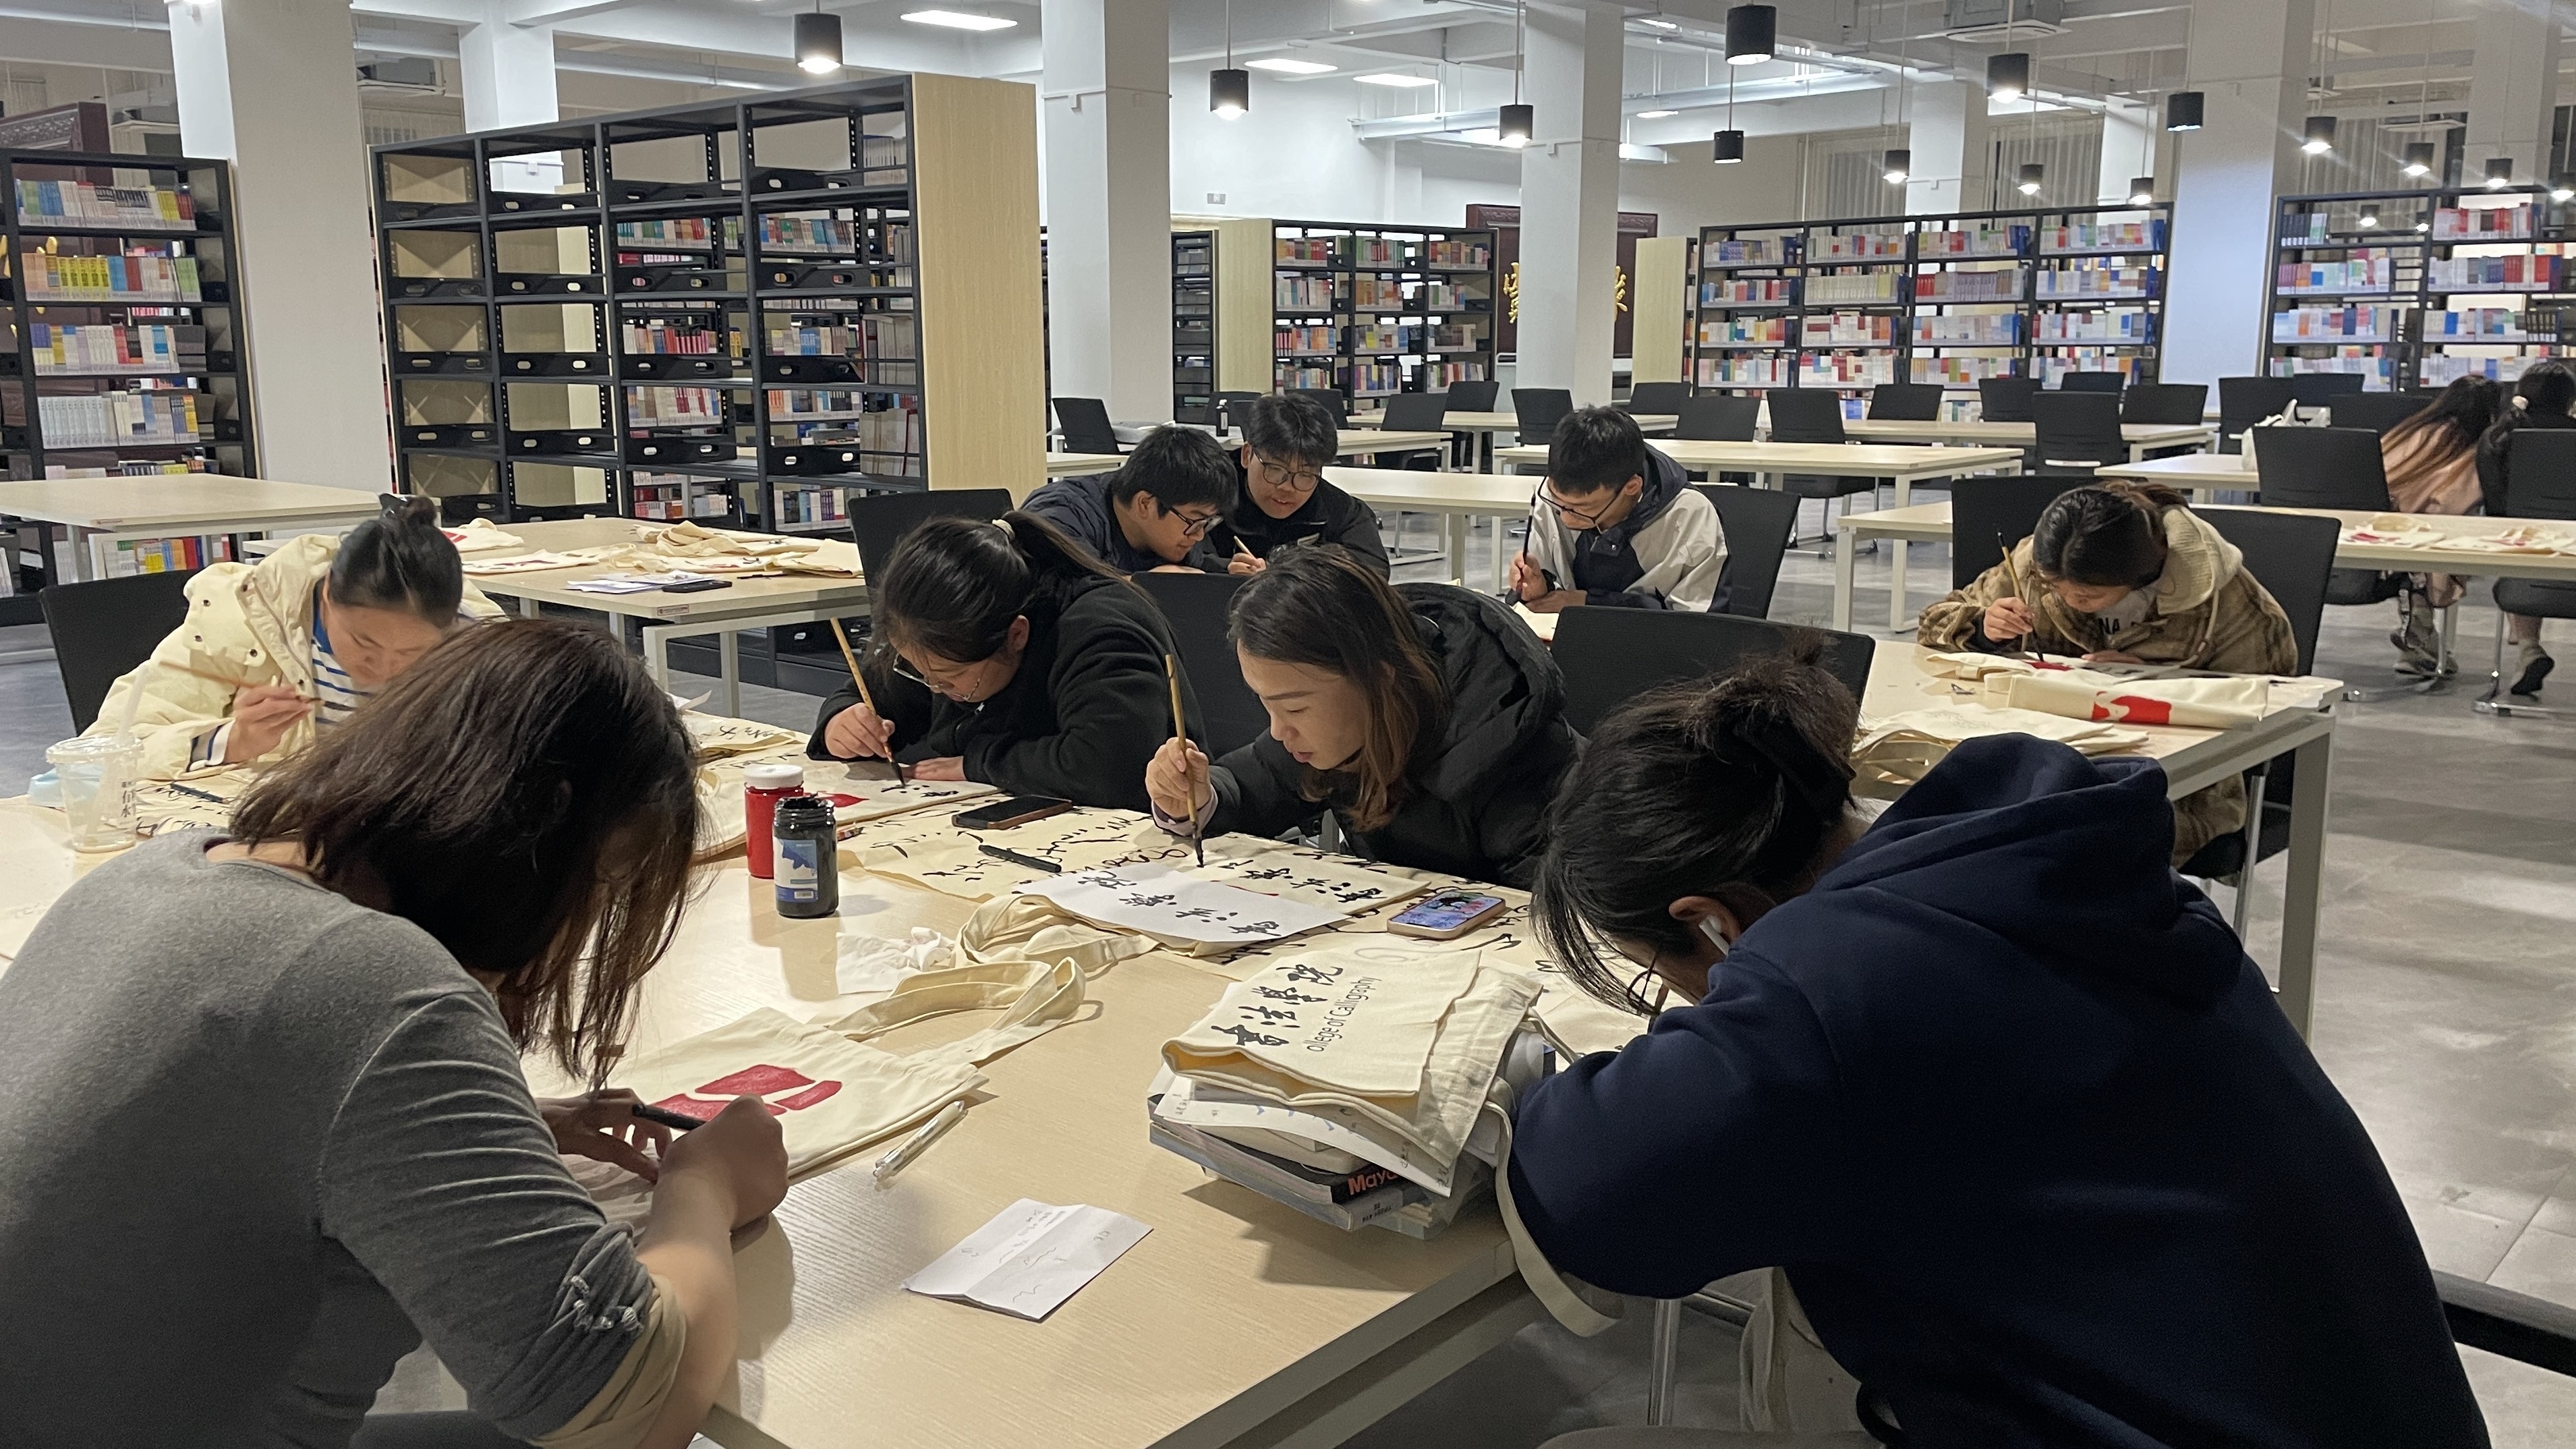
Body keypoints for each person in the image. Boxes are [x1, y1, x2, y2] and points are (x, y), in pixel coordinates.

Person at [1506, 655, 2488, 1448]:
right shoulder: (2019, 872)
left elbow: (1591, 1201)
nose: (1681, 1001)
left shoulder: (1834, 986)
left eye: (1661, 976)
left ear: (1712, 922)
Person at [0, 619, 789, 1449]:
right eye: (602, 884)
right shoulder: (379, 988)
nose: (582, 926)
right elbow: (632, 1408)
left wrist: (500, 1125)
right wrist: (704, 1185)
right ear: (543, 831)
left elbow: (235, 1134)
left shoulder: (161, 868)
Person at [1144, 546, 1579, 888]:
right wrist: (1195, 797)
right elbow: (1248, 786)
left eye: (1294, 707)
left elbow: (1557, 920)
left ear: (1380, 680)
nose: (1278, 729)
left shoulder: (1509, 753)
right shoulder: (1338, 728)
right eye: (1266, 703)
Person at [1917, 482, 2296, 863]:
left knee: (2060, 842)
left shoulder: (2220, 596)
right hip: (2043, 750)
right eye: (2054, 587)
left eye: (2088, 596)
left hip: (2169, 780)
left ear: (2140, 573)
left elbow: (2273, 696)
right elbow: (1935, 621)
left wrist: (2158, 678)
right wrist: (1984, 627)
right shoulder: (2043, 562)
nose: (2069, 600)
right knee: (1964, 818)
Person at [86, 494, 503, 780]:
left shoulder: (479, 649)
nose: (385, 669)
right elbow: (106, 751)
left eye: (414, 652)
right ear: (327, 595)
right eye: (364, 644)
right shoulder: (241, 619)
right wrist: (234, 739)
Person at [809, 513, 1200, 812]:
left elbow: (1109, 770)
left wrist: (979, 763)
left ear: (1016, 636)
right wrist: (842, 722)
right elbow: (871, 696)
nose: (935, 689)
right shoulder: (935, 636)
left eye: (950, 679)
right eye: (920, 672)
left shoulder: (1101, 634)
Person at [1509, 405, 1725, 613]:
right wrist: (1537, 588)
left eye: (1581, 509)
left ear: (1632, 487)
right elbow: (1542, 600)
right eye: (1559, 502)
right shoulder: (1552, 499)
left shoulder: (1690, 515)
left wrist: (1590, 603)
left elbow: (1695, 622)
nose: (1566, 518)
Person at [2379, 376, 2502, 677]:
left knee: (2416, 560)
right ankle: (2420, 630)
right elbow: (2450, 504)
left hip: (2373, 530)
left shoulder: (2408, 432)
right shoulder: (2473, 450)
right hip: (2420, 536)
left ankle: (2421, 637)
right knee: (2439, 549)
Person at [1207, 392, 1390, 577]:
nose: (1287, 487)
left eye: (1305, 475)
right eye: (1275, 469)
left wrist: (1285, 577)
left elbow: (1374, 572)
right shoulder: (1208, 495)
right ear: (1247, 455)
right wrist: (1224, 570)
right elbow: (1191, 558)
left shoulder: (1340, 511)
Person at [2475, 360, 2571, 695]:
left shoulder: (2498, 438)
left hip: (2522, 562)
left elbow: (2496, 506)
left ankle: (2528, 646)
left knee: (2523, 552)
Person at [1021, 424, 1234, 573]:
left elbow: (1191, 568)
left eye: (1206, 523)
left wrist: (1226, 571)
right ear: (1145, 504)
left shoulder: (1174, 524)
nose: (1199, 536)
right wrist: (1155, 585)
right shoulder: (1061, 517)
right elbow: (1063, 595)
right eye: (1195, 522)